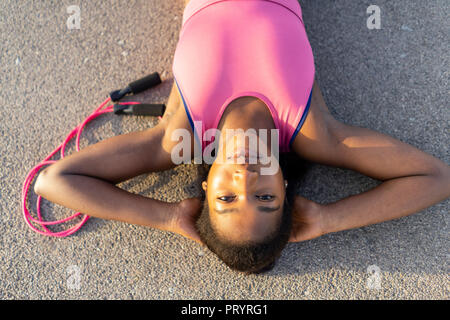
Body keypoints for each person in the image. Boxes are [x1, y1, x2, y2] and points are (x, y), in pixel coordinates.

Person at [34, 0, 450, 274]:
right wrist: (328, 219)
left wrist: (168, 217)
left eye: (226, 198)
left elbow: (53, 181)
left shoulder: (179, 135)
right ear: (286, 190)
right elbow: (436, 178)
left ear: (204, 188)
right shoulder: (313, 132)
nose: (247, 180)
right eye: (266, 198)